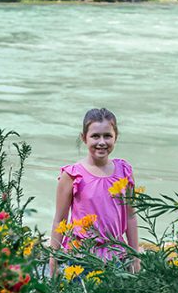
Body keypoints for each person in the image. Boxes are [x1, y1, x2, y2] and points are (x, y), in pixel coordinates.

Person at [50, 108, 141, 275]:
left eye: (107, 136)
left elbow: (130, 216)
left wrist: (135, 256)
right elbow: (59, 220)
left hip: (117, 257)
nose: (102, 142)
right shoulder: (72, 175)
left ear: (116, 137)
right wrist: (53, 258)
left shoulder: (124, 171)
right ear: (84, 138)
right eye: (95, 136)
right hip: (82, 257)